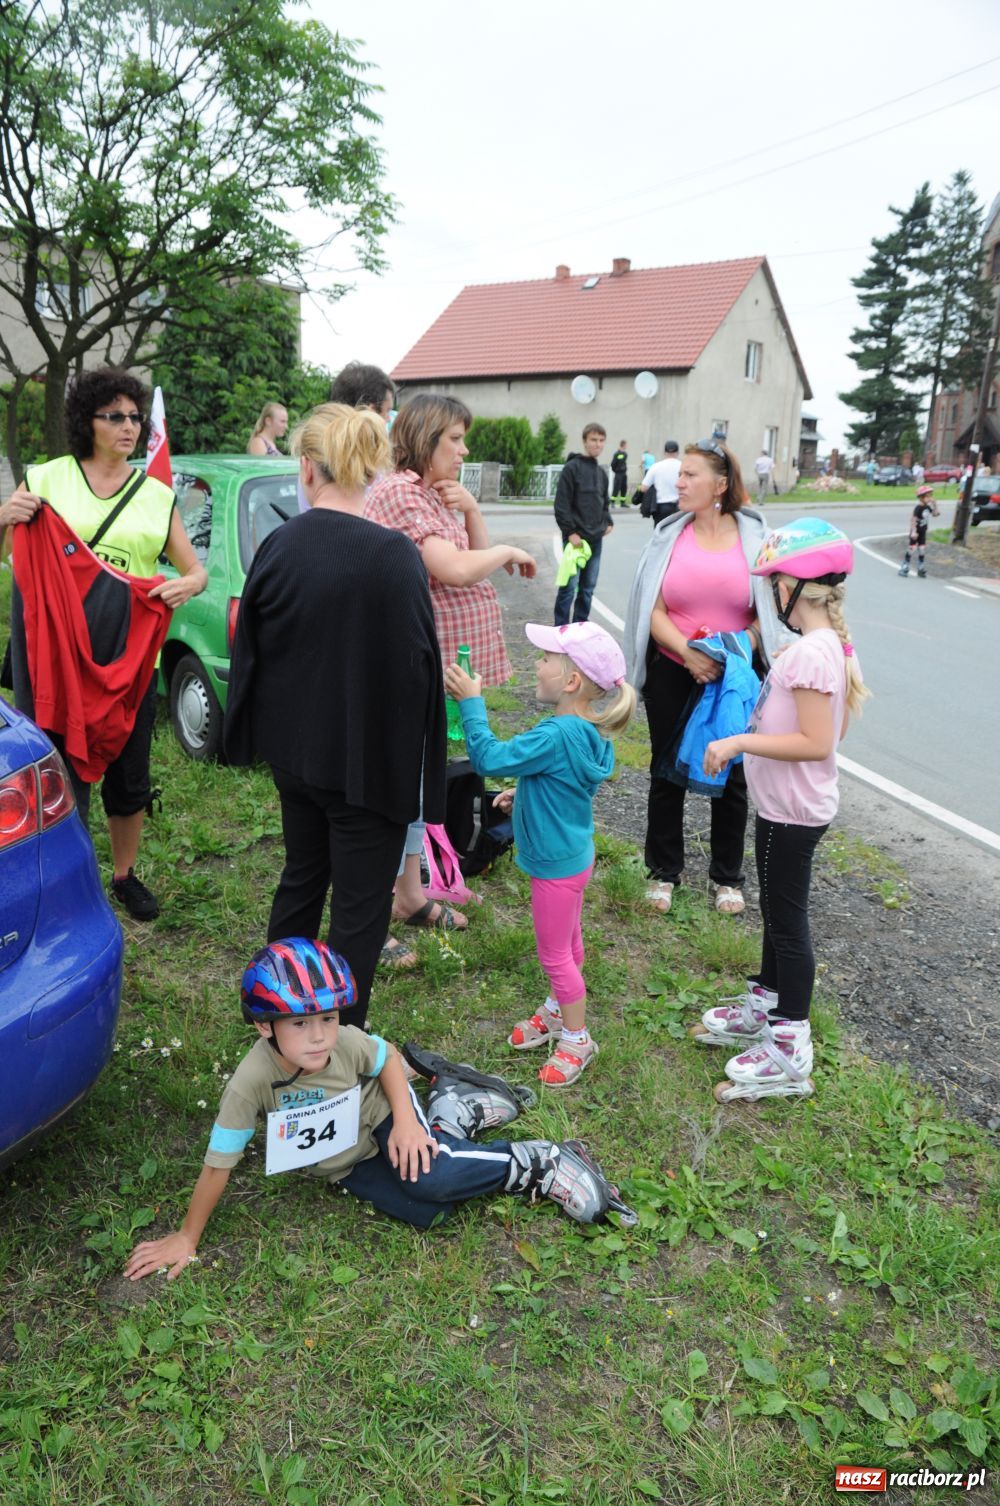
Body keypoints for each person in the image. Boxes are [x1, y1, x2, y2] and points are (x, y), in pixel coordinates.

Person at [123, 938, 636, 1278]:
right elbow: (220, 1161)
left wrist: (408, 1122)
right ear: (264, 1026)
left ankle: (540, 1163)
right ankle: (455, 1110)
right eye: (299, 1024)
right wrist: (187, 1237)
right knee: (430, 1211)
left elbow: (388, 1058)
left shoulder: (343, 1042)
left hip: (384, 1115)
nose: (320, 1034)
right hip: (347, 1163)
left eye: (326, 1017)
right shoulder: (250, 1082)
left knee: (429, 1176)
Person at [224, 404, 446, 1029]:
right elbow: (418, 669)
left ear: (306, 469)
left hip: (296, 759)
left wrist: (255, 735)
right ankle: (339, 1039)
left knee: (301, 876)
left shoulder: (278, 544)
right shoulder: (395, 554)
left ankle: (275, 1014)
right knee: (357, 908)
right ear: (369, 471)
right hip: (368, 769)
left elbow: (251, 651)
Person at [0, 367, 207, 920]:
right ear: (85, 421)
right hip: (55, 651)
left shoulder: (156, 494)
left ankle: (123, 875)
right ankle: (61, 881)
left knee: (129, 766)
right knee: (57, 766)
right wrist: (4, 516)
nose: (128, 426)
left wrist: (190, 583)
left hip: (127, 649)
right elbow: (8, 555)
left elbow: (194, 570)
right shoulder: (46, 478)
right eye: (114, 416)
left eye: (135, 416)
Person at [695, 519, 869, 1102]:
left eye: (775, 585)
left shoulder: (811, 656)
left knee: (788, 923)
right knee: (776, 911)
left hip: (793, 813)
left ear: (796, 587)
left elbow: (818, 743)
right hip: (785, 808)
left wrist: (738, 743)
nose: (772, 596)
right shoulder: (819, 650)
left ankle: (791, 1047)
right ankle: (769, 1006)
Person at [365, 395, 536, 936]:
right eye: (455, 440)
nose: (464, 451)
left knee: (419, 782)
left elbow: (472, 563)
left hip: (435, 667)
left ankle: (409, 894)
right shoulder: (400, 492)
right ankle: (376, 905)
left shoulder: (434, 494)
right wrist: (508, 548)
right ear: (424, 438)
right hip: (408, 664)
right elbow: (456, 569)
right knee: (396, 787)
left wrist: (473, 511)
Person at [445, 623, 636, 1089]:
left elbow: (488, 758)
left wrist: (471, 702)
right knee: (569, 944)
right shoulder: (585, 730)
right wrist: (525, 793)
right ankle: (556, 1010)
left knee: (555, 957)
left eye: (546, 658)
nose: (537, 664)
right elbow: (562, 779)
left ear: (571, 681)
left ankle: (576, 1038)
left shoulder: (554, 734)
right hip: (574, 854)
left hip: (555, 866)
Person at [623, 438, 794, 918]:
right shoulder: (668, 536)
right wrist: (688, 654)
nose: (679, 482)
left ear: (720, 485)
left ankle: (726, 877)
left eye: (689, 475)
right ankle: (663, 873)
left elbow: (773, 610)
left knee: (732, 774)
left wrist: (740, 650)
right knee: (666, 772)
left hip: (735, 675)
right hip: (675, 669)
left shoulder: (756, 538)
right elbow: (651, 609)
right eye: (679, 475)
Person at [553, 423, 613, 625]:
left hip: (595, 541)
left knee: (587, 590)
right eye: (594, 440)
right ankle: (560, 630)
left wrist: (608, 522)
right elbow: (561, 504)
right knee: (569, 587)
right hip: (575, 541)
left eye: (601, 440)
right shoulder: (572, 468)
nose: (598, 444)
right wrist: (570, 532)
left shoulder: (601, 474)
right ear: (585, 441)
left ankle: (580, 629)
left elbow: (604, 504)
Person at [899, 484, 940, 578]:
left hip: (923, 532)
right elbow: (913, 519)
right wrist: (913, 531)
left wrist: (935, 504)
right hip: (916, 532)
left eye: (930, 496)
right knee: (912, 549)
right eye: (928, 496)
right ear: (921, 497)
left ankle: (920, 567)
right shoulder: (918, 508)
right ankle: (905, 565)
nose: (930, 498)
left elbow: (935, 514)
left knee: (922, 550)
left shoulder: (927, 507)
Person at [639, 440, 681, 525]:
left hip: (661, 507)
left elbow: (644, 488)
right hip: (679, 506)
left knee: (660, 534)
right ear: (677, 452)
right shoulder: (682, 466)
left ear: (665, 452)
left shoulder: (656, 467)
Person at [610, 439, 629, 509]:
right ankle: (612, 502)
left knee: (624, 488)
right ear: (623, 445)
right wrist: (616, 471)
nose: (626, 446)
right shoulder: (617, 454)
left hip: (624, 474)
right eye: (626, 445)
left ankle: (622, 503)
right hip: (618, 474)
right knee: (616, 488)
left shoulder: (625, 454)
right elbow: (612, 464)